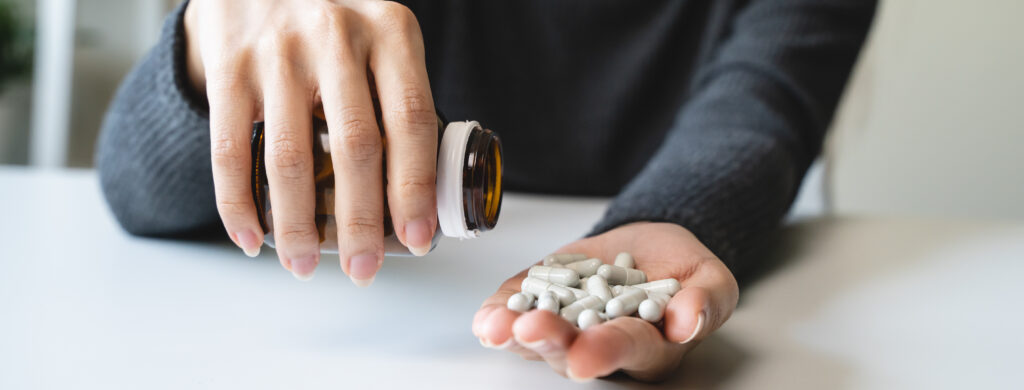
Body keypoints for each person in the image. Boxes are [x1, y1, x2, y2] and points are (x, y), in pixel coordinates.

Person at [95, 0, 876, 381]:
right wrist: (208, 39)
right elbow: (134, 189)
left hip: (639, 222)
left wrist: (669, 219)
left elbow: (762, 105)